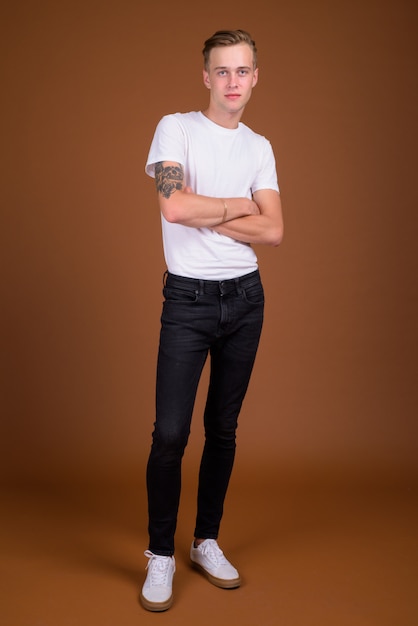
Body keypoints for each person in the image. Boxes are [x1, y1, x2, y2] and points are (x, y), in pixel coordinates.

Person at [141, 29, 283, 612]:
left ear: (255, 77)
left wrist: (211, 210)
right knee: (171, 434)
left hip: (245, 301)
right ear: (206, 76)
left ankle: (205, 540)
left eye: (242, 71)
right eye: (222, 71)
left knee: (222, 431)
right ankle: (160, 553)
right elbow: (175, 205)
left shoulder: (259, 146)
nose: (232, 82)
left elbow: (274, 231)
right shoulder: (174, 128)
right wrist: (240, 205)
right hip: (189, 302)